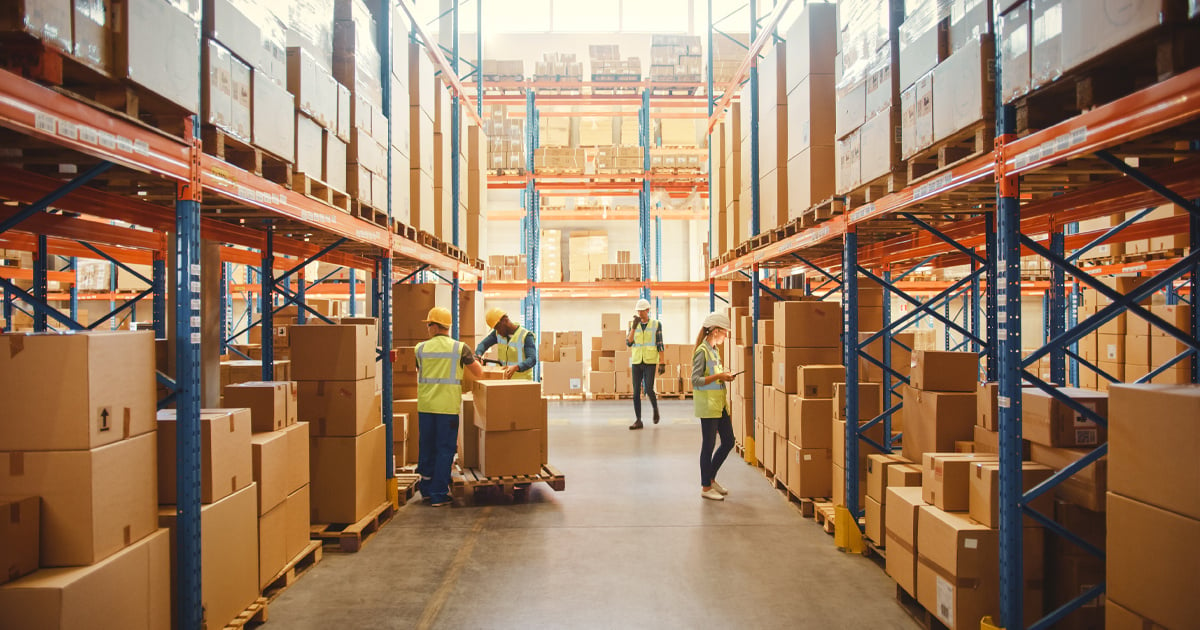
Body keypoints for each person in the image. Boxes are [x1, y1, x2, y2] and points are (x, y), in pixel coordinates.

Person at [415, 306, 484, 507]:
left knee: (426, 446)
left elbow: (420, 370)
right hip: (447, 409)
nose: (427, 328)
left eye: (429, 325)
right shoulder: (460, 348)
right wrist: (475, 360)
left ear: (436, 327)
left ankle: (426, 490)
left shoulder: (419, 348)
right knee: (444, 449)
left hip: (426, 407)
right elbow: (478, 372)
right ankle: (438, 494)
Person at [692, 311, 736, 501]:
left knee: (729, 441)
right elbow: (695, 380)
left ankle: (711, 477)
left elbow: (715, 376)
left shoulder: (714, 350)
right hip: (708, 406)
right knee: (708, 446)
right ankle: (705, 486)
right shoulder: (702, 351)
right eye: (725, 332)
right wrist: (720, 376)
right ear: (716, 331)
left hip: (719, 405)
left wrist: (725, 376)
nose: (726, 336)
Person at [626, 298, 665, 430]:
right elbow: (629, 342)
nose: (639, 313)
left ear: (647, 310)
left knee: (648, 388)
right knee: (636, 391)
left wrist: (662, 363)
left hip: (650, 361)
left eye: (642, 311)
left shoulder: (656, 324)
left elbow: (660, 344)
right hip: (637, 361)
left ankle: (655, 408)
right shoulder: (633, 324)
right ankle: (638, 420)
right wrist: (633, 327)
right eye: (638, 311)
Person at [475, 307, 537, 380]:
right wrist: (478, 356)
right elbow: (483, 344)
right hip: (503, 380)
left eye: (498, 327)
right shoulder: (497, 333)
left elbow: (532, 359)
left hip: (522, 381)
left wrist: (517, 367)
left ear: (505, 320)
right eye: (495, 328)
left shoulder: (526, 336)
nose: (498, 331)